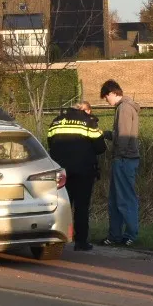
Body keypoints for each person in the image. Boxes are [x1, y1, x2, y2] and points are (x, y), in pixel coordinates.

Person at [46, 100, 105, 251]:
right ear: (87, 111)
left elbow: (50, 143)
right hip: (83, 171)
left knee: (61, 205)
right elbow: (100, 148)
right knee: (81, 206)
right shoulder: (89, 122)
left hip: (61, 171)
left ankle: (57, 238)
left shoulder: (56, 121)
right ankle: (81, 242)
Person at [98, 79, 141, 247]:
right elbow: (120, 133)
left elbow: (123, 136)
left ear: (112, 93)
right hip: (125, 159)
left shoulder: (123, 108)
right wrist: (107, 134)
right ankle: (115, 235)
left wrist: (118, 154)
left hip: (124, 159)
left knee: (124, 199)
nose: (106, 101)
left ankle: (129, 234)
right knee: (116, 200)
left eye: (106, 97)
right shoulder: (126, 107)